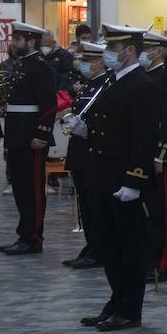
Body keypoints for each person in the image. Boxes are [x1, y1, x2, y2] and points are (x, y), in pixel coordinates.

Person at [78, 25, 158, 331]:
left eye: (114, 48)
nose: (109, 53)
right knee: (110, 246)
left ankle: (130, 309)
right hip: (103, 175)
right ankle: (116, 301)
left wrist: (134, 180)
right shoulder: (112, 81)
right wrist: (85, 130)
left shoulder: (143, 85)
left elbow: (144, 138)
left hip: (124, 179)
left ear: (130, 51)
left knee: (129, 247)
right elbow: (106, 127)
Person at [0, 22, 56, 255]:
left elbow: (49, 104)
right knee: (20, 188)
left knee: (32, 190)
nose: (13, 43)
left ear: (31, 41)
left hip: (31, 136)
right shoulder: (19, 65)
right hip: (16, 134)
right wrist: (3, 108)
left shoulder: (40, 67)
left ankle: (33, 238)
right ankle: (24, 234)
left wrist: (42, 134)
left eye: (17, 39)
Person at [61, 43, 112, 269]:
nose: (83, 65)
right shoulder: (89, 85)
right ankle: (91, 245)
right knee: (85, 204)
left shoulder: (106, 85)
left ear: (100, 62)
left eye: (88, 61)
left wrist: (86, 129)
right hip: (80, 152)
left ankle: (99, 249)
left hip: (93, 152)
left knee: (95, 205)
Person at [142, 32, 167, 285]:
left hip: (158, 152)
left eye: (147, 48)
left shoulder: (166, 78)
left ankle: (160, 264)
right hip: (143, 150)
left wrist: (161, 154)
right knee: (145, 211)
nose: (143, 53)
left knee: (161, 213)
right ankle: (146, 258)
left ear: (158, 51)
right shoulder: (146, 76)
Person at [41, 30, 79, 96]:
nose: (44, 48)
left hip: (59, 91)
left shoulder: (64, 55)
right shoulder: (39, 55)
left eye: (47, 45)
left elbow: (69, 75)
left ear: (53, 43)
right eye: (42, 45)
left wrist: (53, 76)